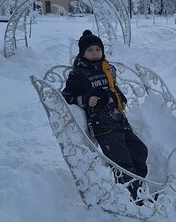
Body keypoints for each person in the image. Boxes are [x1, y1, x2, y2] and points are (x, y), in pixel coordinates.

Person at [62, 30, 149, 202]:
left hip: (119, 120)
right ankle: (134, 199)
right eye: (90, 50)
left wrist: (121, 98)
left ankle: (139, 190)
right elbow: (67, 95)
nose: (95, 53)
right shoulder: (78, 74)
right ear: (82, 53)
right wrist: (86, 100)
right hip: (102, 125)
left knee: (140, 151)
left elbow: (113, 88)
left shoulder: (107, 69)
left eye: (98, 49)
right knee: (122, 161)